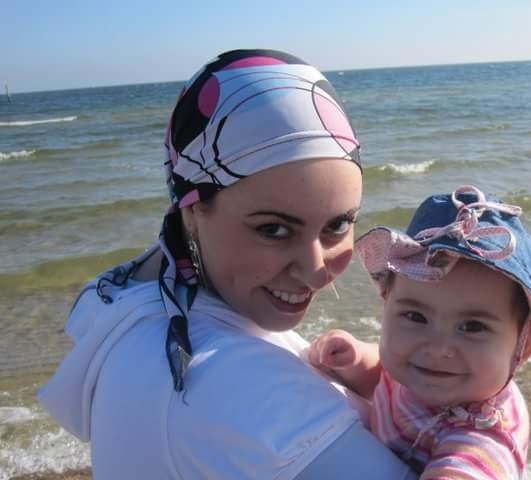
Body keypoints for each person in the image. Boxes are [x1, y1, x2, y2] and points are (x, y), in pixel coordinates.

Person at [38, 49, 417, 479]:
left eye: (338, 225)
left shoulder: (136, 304)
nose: (315, 270)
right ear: (191, 209)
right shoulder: (232, 377)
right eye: (273, 229)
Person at [308, 185, 531, 479]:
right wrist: (356, 359)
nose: (437, 348)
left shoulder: (484, 436)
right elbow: (385, 374)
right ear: (387, 304)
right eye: (415, 316)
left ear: (522, 348)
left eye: (472, 326)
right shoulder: (420, 369)